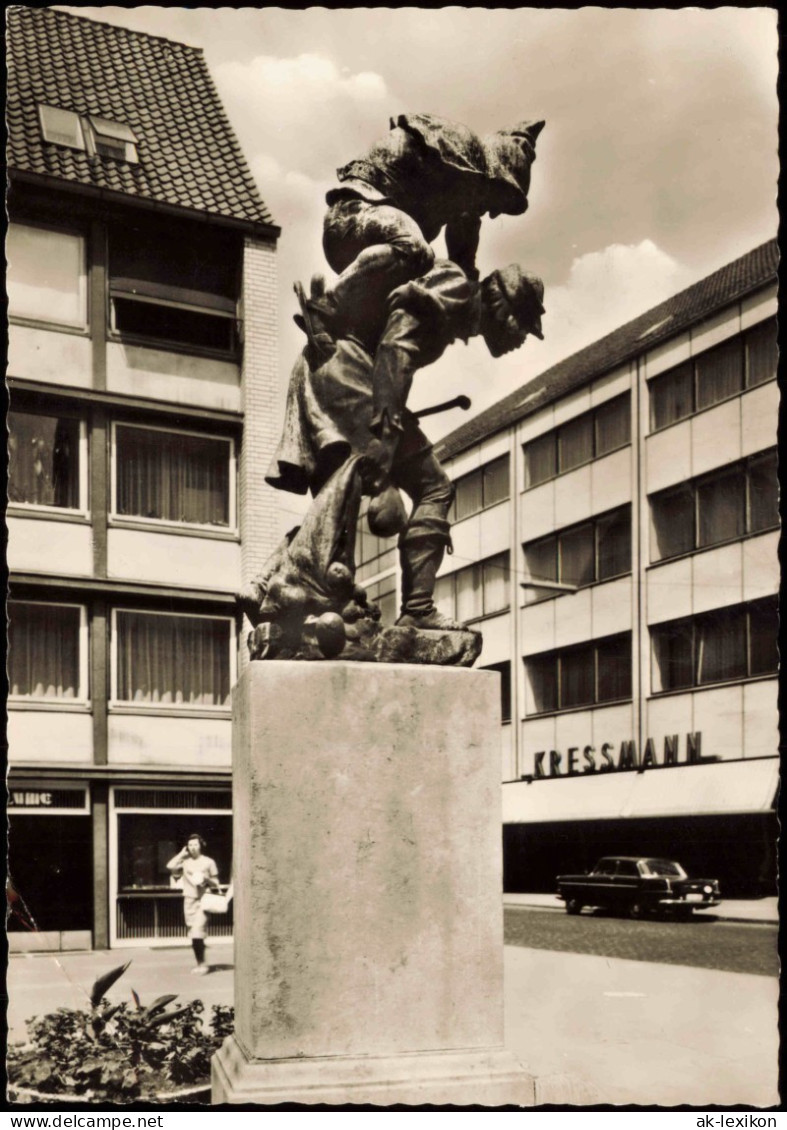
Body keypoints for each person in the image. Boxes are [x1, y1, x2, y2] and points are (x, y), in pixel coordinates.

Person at [263, 257, 544, 631]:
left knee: (340, 499)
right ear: (506, 310)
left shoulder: (458, 297)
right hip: (349, 371)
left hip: (334, 366)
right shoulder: (456, 290)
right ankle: (418, 608)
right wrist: (388, 435)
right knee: (434, 487)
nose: (521, 341)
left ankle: (269, 583)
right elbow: (396, 348)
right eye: (525, 328)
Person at [302, 113, 545, 339]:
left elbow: (461, 260)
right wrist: (466, 291)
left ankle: (342, 334)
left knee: (403, 305)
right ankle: (325, 306)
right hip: (355, 216)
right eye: (501, 200)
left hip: (366, 246)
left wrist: (462, 288)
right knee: (416, 251)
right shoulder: (466, 156)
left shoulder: (465, 179)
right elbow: (464, 240)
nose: (493, 213)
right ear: (498, 174)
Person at [166, 834, 220, 975]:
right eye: (190, 845)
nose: (193, 848)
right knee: (194, 935)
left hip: (203, 900)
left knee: (197, 932)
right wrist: (181, 854)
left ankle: (203, 964)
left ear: (201, 845)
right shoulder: (185, 862)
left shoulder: (209, 862)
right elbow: (170, 866)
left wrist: (206, 878)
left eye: (195, 845)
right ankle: (200, 963)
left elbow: (217, 883)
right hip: (189, 901)